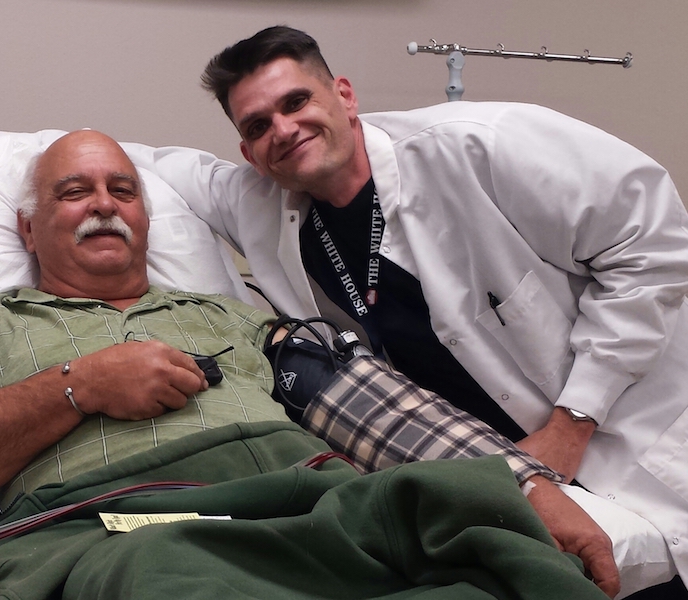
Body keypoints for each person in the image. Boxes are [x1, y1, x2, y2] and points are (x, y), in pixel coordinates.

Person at [0, 128, 618, 597]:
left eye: (123, 190)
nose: (103, 203)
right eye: (74, 191)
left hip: (317, 501)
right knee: (161, 578)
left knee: (484, 541)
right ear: (27, 228)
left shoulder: (232, 315)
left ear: (144, 217)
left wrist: (524, 486)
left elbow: (370, 401)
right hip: (142, 523)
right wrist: (83, 385)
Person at [126, 25, 688, 596]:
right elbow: (132, 162)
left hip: (634, 438)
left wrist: (574, 423)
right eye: (258, 126)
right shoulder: (258, 206)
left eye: (296, 102)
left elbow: (652, 243)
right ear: (248, 153)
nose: (284, 130)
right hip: (499, 474)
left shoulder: (480, 145)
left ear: (344, 95)